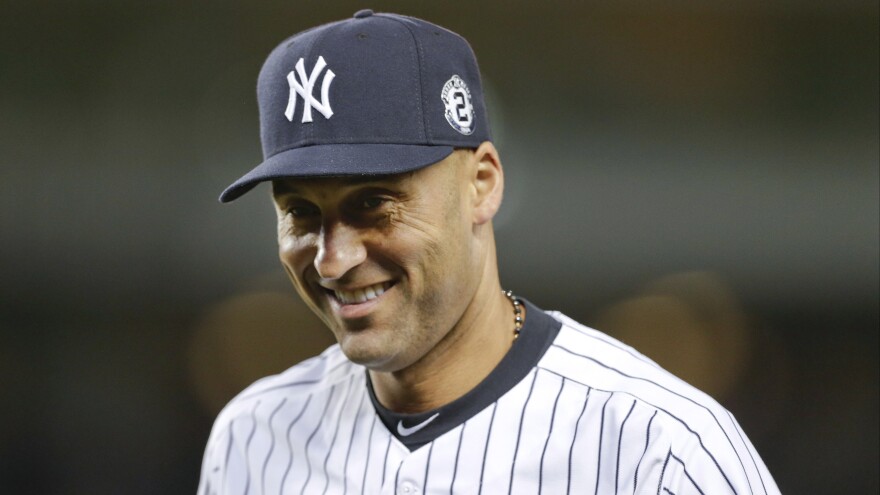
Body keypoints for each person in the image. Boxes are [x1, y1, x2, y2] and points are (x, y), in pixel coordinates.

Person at [198, 10, 780, 495]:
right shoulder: (253, 438)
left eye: (373, 202)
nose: (333, 258)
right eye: (301, 212)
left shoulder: (657, 446)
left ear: (481, 183)